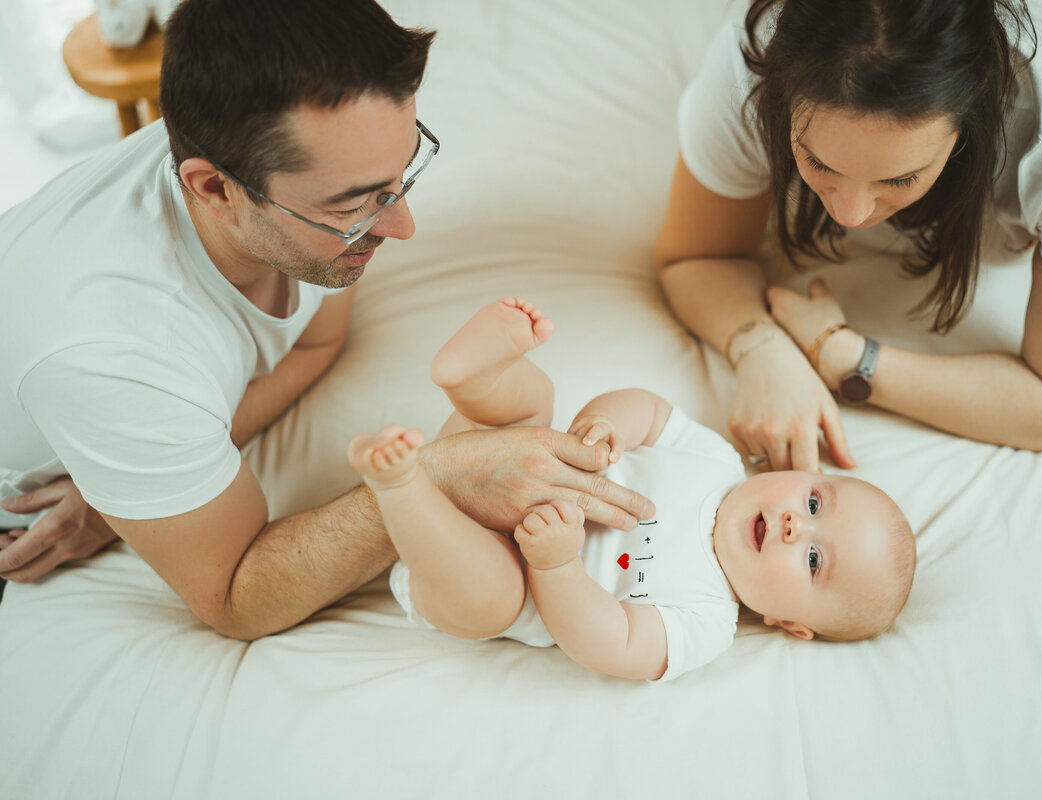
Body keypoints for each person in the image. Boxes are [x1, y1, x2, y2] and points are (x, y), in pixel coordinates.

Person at [0, 0, 654, 631]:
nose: (402, 226)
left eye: (402, 174)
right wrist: (437, 478)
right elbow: (235, 596)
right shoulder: (113, 350)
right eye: (355, 204)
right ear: (213, 190)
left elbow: (317, 342)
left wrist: (128, 485)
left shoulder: (271, 154)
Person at [654, 0, 1042, 473]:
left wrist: (844, 356)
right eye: (818, 162)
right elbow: (695, 256)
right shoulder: (756, 55)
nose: (850, 214)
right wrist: (761, 347)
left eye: (898, 178)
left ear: (973, 122)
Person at [349, 298, 916, 681]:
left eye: (814, 560)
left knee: (496, 596)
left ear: (789, 624)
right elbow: (648, 409)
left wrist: (554, 567)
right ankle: (475, 378)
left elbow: (610, 643)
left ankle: (402, 485)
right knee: (532, 409)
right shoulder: (715, 461)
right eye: (814, 502)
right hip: (497, 462)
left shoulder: (707, 623)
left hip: (479, 569)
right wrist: (607, 427)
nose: (797, 525)